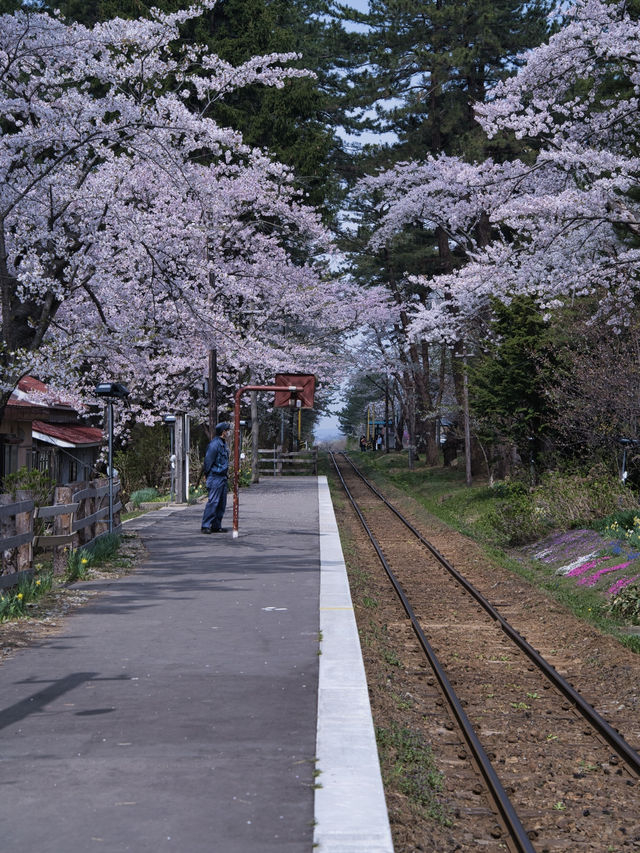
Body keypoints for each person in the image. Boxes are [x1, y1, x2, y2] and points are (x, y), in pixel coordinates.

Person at [201, 422, 231, 533]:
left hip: (222, 477)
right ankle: (205, 525)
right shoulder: (214, 445)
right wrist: (207, 475)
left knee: (221, 503)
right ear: (223, 432)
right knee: (213, 502)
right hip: (215, 476)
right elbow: (208, 461)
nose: (228, 432)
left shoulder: (223, 444)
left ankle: (216, 525)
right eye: (227, 430)